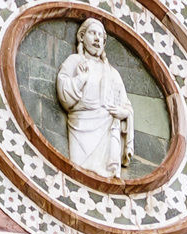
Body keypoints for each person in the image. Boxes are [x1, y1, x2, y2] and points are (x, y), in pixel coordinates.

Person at [56, 19, 134, 178]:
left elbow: (126, 105)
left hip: (108, 127)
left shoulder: (112, 72)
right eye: (93, 33)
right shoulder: (75, 61)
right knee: (79, 173)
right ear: (82, 37)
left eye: (100, 36)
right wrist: (81, 79)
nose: (97, 39)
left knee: (105, 175)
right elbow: (63, 89)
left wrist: (124, 113)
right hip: (81, 124)